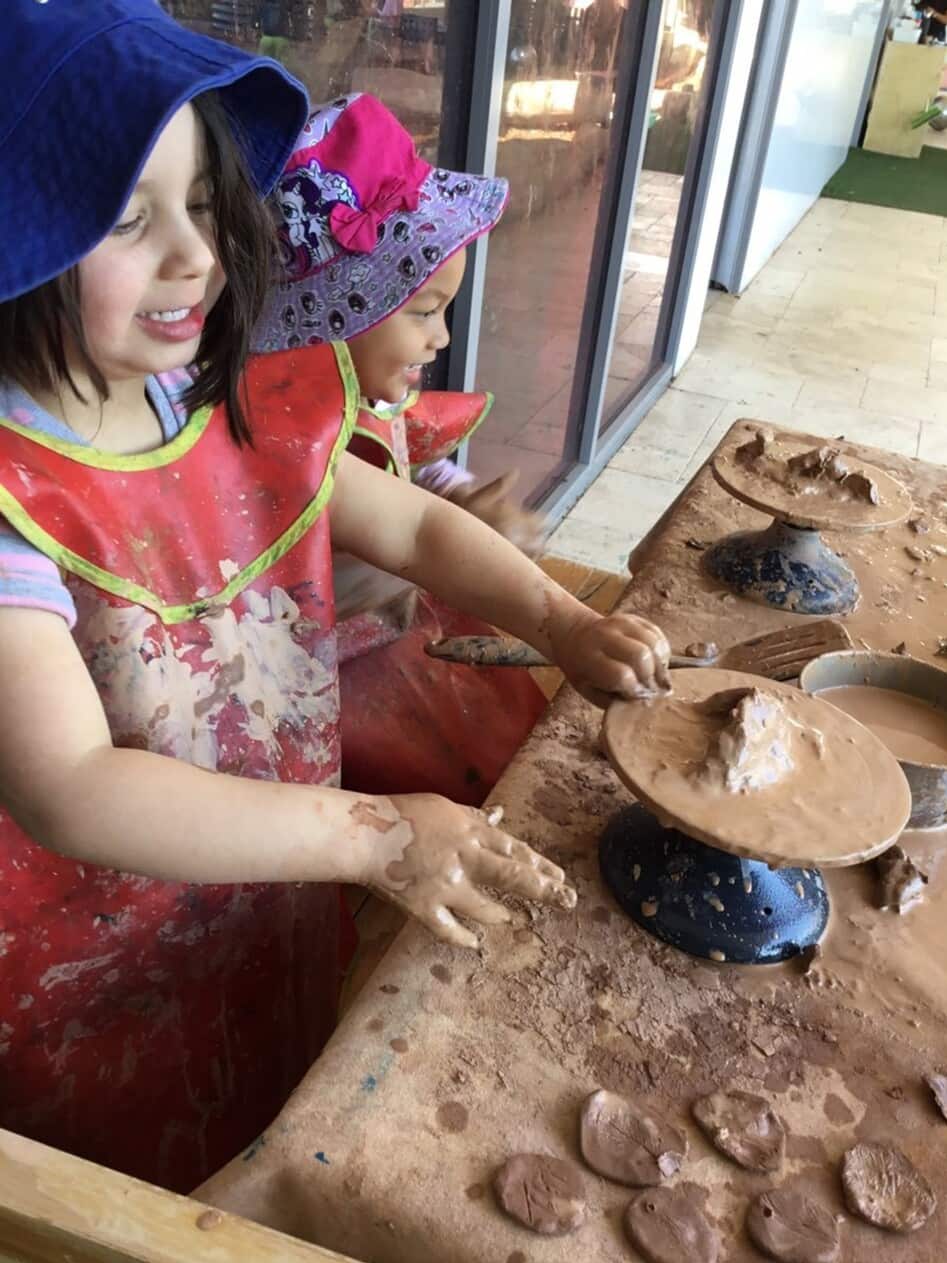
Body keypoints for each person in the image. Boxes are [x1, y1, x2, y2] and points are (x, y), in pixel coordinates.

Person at [0, 0, 670, 1195]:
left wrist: (559, 621)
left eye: (203, 203)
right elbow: (71, 786)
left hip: (266, 883)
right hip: (95, 963)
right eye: (124, 218)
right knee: (152, 1180)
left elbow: (405, 518)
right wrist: (375, 832)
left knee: (271, 1089)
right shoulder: (12, 499)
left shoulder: (213, 392)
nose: (196, 255)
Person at [252, 93, 551, 806]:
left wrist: (454, 493)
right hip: (317, 686)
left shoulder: (375, 394)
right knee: (464, 785)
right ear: (329, 317)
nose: (441, 337)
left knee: (523, 736)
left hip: (402, 632)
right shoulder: (268, 440)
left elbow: (412, 467)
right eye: (423, 312)